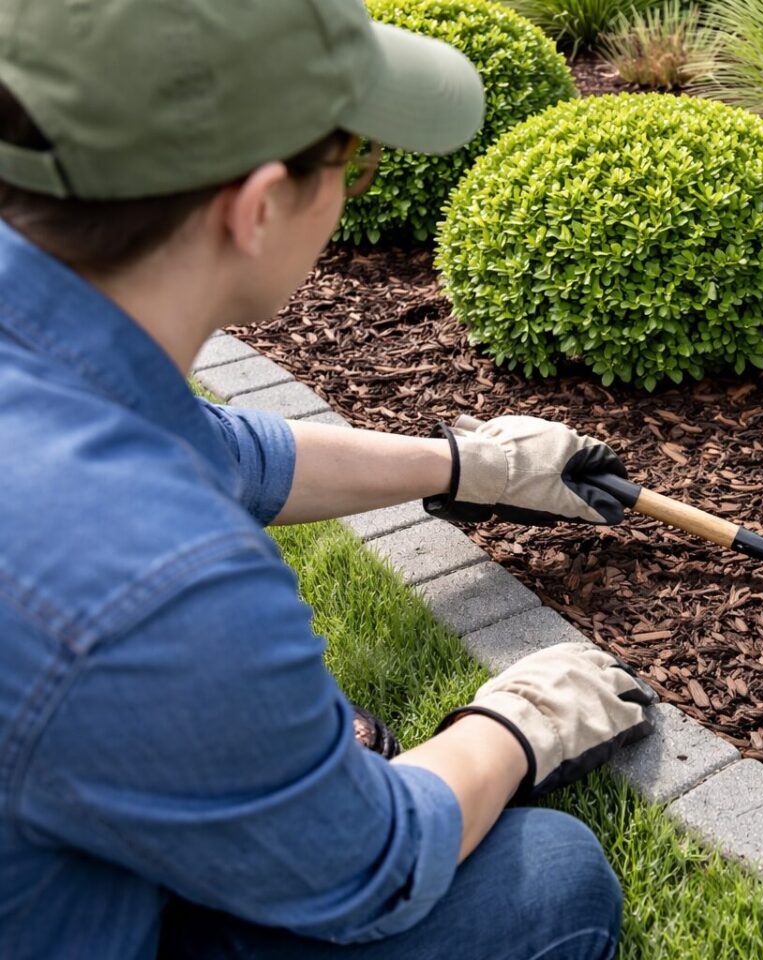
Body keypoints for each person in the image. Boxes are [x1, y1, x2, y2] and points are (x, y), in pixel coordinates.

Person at [0, 1, 656, 957]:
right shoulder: (157, 582)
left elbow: (215, 447)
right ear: (257, 207)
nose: (353, 183)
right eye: (356, 158)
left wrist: (470, 464)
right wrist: (515, 727)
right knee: (547, 882)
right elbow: (372, 867)